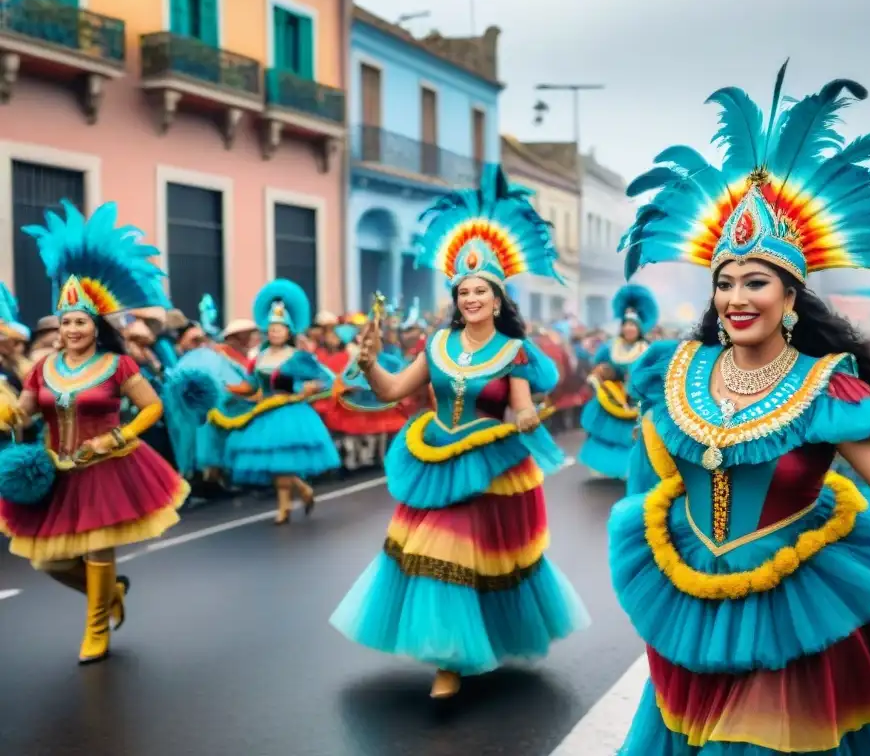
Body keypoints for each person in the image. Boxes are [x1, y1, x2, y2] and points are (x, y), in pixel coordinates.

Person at [609, 64, 870, 754]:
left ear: (791, 299)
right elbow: (653, 477)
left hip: (799, 601)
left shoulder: (826, 387)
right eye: (724, 281)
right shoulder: (676, 374)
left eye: (755, 281)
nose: (735, 296)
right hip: (690, 596)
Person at [329, 164, 590, 699]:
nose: (470, 298)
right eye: (462, 290)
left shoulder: (514, 351)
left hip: (491, 464)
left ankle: (476, 642)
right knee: (440, 555)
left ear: (497, 299)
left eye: (480, 290)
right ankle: (448, 659)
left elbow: (521, 407)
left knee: (480, 559)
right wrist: (371, 362)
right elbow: (393, 390)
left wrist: (527, 418)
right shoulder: (437, 346)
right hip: (437, 458)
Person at [0, 201, 188, 665]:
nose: (72, 329)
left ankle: (97, 628)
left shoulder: (118, 364)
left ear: (95, 325)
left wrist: (116, 438)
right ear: (58, 330)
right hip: (55, 471)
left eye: (80, 321)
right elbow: (24, 414)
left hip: (107, 466)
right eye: (65, 322)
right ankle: (109, 596)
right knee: (48, 560)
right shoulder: (42, 369)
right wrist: (7, 414)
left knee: (99, 550)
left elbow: (151, 407)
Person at [207, 279, 340, 524]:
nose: (275, 332)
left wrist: (306, 388)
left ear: (289, 331)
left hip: (292, 413)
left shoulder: (298, 357)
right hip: (266, 413)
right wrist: (229, 388)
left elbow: (325, 379)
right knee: (278, 464)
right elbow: (252, 386)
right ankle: (302, 490)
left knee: (282, 464)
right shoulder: (260, 358)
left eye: (280, 328)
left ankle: (284, 508)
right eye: (271, 328)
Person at [578, 284, 657, 480]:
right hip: (613, 397)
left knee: (634, 436)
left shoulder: (647, 349)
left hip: (637, 397)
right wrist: (604, 373)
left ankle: (628, 469)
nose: (629, 328)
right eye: (626, 324)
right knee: (604, 432)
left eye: (632, 325)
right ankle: (603, 467)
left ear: (639, 328)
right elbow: (600, 365)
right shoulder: (610, 347)